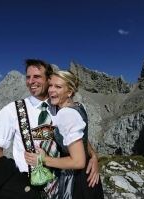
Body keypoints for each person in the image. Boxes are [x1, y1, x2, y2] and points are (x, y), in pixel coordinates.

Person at [0, 59, 100, 199]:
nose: (31, 81)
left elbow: (76, 137)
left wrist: (93, 156)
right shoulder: (11, 111)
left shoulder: (61, 107)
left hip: (63, 185)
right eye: (28, 77)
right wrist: (5, 185)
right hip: (27, 186)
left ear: (48, 79)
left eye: (37, 77)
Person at [25, 70, 104, 199]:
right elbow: (82, 136)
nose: (51, 90)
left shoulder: (65, 114)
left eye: (58, 87)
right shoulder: (79, 106)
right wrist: (93, 156)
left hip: (75, 180)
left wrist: (44, 160)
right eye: (50, 85)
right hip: (87, 175)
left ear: (70, 92)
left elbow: (78, 162)